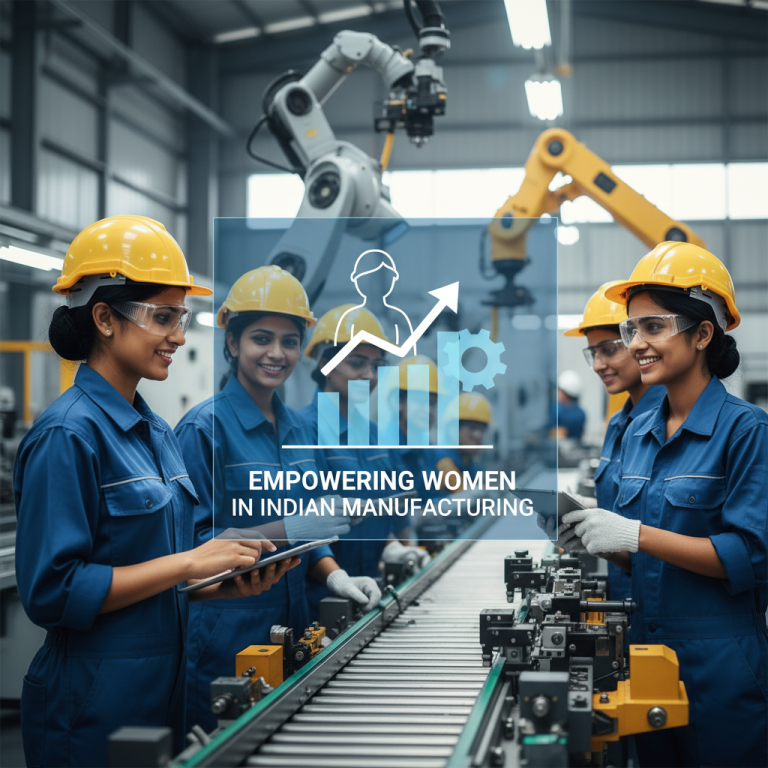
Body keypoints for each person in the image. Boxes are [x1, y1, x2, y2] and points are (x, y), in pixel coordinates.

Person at [13, 216, 279, 768]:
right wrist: (187, 564)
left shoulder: (155, 431)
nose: (179, 336)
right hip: (92, 705)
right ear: (105, 318)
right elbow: (52, 592)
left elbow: (146, 576)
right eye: (163, 318)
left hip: (162, 695)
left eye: (179, 318)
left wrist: (215, 586)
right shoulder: (69, 435)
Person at [563, 242, 768, 767]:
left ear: (703, 334)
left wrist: (633, 535)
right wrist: (598, 539)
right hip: (644, 654)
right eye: (631, 330)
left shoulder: (747, 431)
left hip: (717, 662)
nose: (635, 345)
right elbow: (651, 561)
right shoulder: (639, 434)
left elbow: (750, 556)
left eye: (653, 327)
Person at [175, 266, 381, 732]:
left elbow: (308, 530)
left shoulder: (297, 430)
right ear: (232, 344)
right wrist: (290, 530)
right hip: (228, 627)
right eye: (261, 339)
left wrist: (335, 575)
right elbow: (193, 547)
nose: (277, 353)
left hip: (293, 619)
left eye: (289, 341)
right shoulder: (205, 429)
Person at [302, 305, 427, 617]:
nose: (369, 376)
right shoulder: (301, 432)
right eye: (357, 363)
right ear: (325, 362)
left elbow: (375, 511)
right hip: (317, 601)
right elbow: (301, 524)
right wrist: (336, 577)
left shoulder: (375, 437)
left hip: (371, 593)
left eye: (377, 365)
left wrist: (392, 547)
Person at [563, 281, 665, 600]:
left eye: (608, 349)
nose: (597, 365)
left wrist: (630, 533)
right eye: (593, 353)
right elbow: (631, 534)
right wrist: (588, 522)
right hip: (630, 608)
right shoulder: (618, 425)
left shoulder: (674, 422)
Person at [551, 370, 587, 440]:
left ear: (565, 393)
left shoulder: (557, 410)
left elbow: (561, 432)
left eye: (560, 390)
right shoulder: (581, 412)